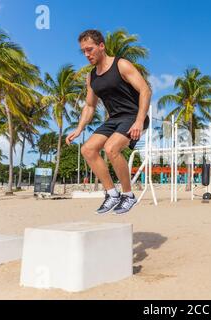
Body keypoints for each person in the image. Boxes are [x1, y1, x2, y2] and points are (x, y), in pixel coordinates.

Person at [66, 30, 151, 215]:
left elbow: (145, 90)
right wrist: (79, 129)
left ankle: (128, 196)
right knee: (87, 149)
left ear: (101, 46)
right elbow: (89, 106)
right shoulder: (92, 77)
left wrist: (138, 121)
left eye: (90, 49)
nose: (87, 54)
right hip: (114, 119)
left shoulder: (121, 64)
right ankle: (112, 194)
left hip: (134, 116)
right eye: (83, 51)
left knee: (111, 148)